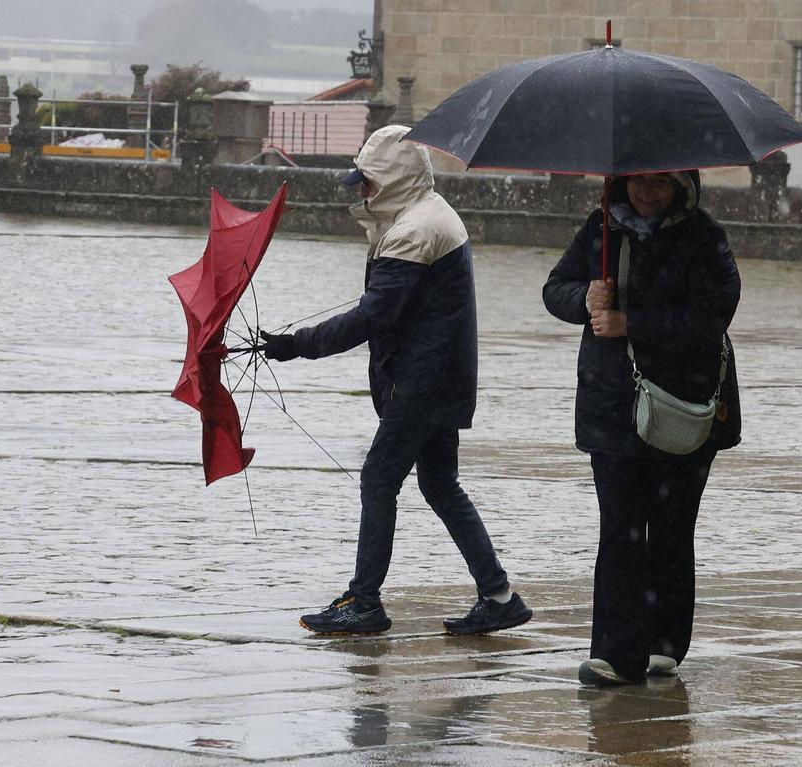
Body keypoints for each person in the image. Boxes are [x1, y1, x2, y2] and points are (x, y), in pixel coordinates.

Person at [259, 124, 531, 636]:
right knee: (438, 483)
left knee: (380, 478)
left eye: (366, 182)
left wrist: (297, 344)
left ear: (390, 180)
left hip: (422, 380)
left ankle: (365, 601)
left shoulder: (414, 230)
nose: (360, 192)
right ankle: (499, 595)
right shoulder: (424, 215)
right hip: (438, 374)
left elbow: (373, 316)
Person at [542, 170, 741, 685]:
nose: (646, 193)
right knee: (620, 529)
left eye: (659, 183)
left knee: (671, 528)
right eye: (636, 181)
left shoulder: (703, 237)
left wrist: (634, 323)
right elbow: (555, 289)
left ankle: (665, 641)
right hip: (612, 406)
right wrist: (585, 301)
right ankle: (614, 651)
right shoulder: (600, 229)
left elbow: (713, 315)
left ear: (682, 186)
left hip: (684, 405)